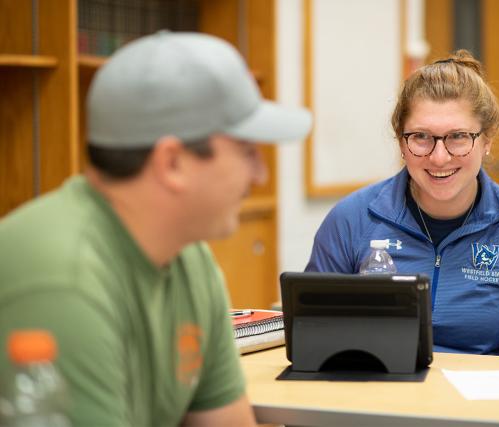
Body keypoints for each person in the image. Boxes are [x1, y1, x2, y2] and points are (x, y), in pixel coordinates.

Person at [0, 32, 311, 426]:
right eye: (247, 152)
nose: (260, 174)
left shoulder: (189, 258)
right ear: (172, 163)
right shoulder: (61, 282)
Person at [306, 50, 499, 357]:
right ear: (401, 142)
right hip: (376, 396)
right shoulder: (350, 220)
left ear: (487, 141)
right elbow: (315, 344)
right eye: (422, 137)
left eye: (459, 137)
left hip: (477, 403)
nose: (439, 157)